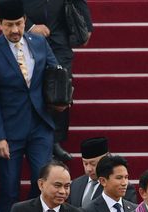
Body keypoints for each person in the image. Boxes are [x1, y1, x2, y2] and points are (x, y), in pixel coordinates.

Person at [0, 0, 64, 212]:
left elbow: (55, 71)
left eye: (18, 23)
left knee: (43, 181)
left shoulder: (38, 42)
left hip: (40, 125)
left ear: (25, 21)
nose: (15, 30)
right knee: (9, 189)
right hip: (9, 131)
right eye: (9, 25)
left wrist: (62, 98)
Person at [22, 0, 92, 162]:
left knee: (61, 87)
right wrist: (30, 26)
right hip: (27, 38)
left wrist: (86, 26)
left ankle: (54, 140)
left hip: (60, 37)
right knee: (31, 87)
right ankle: (31, 137)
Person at [70, 137, 138, 207]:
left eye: (93, 164)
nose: (89, 169)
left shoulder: (121, 187)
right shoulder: (75, 184)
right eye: (85, 163)